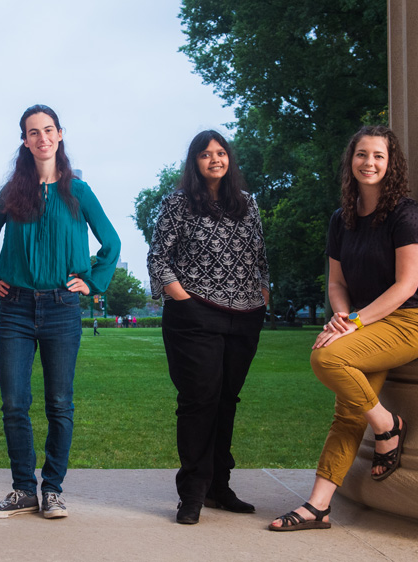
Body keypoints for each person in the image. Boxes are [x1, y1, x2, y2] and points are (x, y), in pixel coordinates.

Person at [269, 125, 418, 532]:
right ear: (350, 162)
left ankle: (387, 427)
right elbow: (336, 283)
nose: (369, 162)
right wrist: (341, 315)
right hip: (366, 319)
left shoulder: (407, 214)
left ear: (391, 163)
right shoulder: (342, 219)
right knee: (348, 411)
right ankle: (319, 506)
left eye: (379, 156)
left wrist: (353, 322)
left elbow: (405, 287)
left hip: (413, 318)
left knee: (326, 356)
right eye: (362, 154)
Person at [0, 104, 120, 519]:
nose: (42, 138)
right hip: (16, 309)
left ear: (60, 135)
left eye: (48, 130)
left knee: (59, 403)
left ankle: (53, 489)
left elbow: (111, 243)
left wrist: (91, 282)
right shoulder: (11, 193)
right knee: (14, 403)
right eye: (32, 132)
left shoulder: (78, 190)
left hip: (61, 308)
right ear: (24, 141)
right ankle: (23, 489)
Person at [148, 130, 270, 525]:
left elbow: (259, 255)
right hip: (194, 315)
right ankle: (193, 493)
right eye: (205, 154)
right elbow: (158, 257)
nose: (215, 159)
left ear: (229, 159)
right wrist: (182, 298)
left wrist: (263, 293)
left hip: (245, 316)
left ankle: (220, 487)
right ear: (194, 162)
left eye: (220, 153)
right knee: (199, 401)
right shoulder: (178, 203)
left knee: (226, 401)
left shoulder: (248, 204)